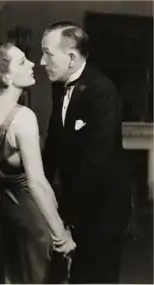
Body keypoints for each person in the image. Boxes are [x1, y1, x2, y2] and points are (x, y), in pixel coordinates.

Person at [0, 41, 76, 284]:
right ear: (5, 78)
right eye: (22, 62)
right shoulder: (23, 117)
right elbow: (37, 183)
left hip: (9, 212)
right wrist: (61, 237)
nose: (32, 64)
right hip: (33, 215)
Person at [41, 21, 131, 284]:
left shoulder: (103, 91)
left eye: (47, 53)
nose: (41, 61)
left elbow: (96, 161)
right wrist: (39, 188)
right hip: (76, 203)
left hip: (102, 210)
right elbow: (55, 142)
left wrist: (67, 220)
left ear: (71, 57)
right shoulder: (59, 84)